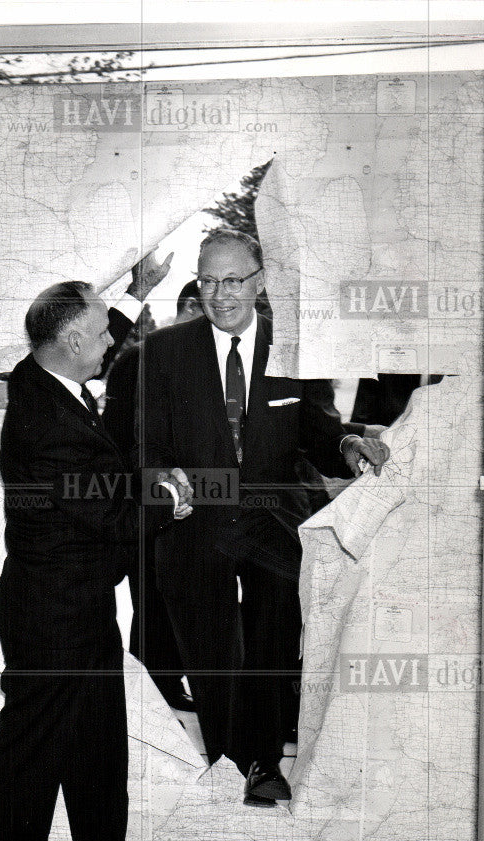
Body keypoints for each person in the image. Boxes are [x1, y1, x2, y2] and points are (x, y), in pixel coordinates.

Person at [138, 229, 389, 807]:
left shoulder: (294, 349)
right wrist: (162, 478)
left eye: (232, 280)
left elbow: (318, 427)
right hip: (194, 524)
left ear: (259, 282)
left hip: (272, 524)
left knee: (273, 645)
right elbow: (146, 446)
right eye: (207, 280)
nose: (218, 294)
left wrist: (348, 444)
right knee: (211, 651)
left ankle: (263, 761)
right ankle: (228, 756)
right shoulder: (165, 353)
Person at [0, 279, 177, 841]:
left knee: (99, 740)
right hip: (49, 616)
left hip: (80, 602)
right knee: (32, 752)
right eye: (100, 334)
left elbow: (97, 333)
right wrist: (178, 497)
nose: (111, 343)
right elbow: (118, 518)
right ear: (70, 341)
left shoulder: (44, 378)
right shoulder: (48, 427)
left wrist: (131, 292)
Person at [102, 281, 204, 712]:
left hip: (193, 503)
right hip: (152, 502)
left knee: (181, 603)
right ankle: (152, 693)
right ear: (191, 307)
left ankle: (166, 683)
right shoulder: (140, 359)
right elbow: (120, 438)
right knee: (152, 603)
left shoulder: (203, 362)